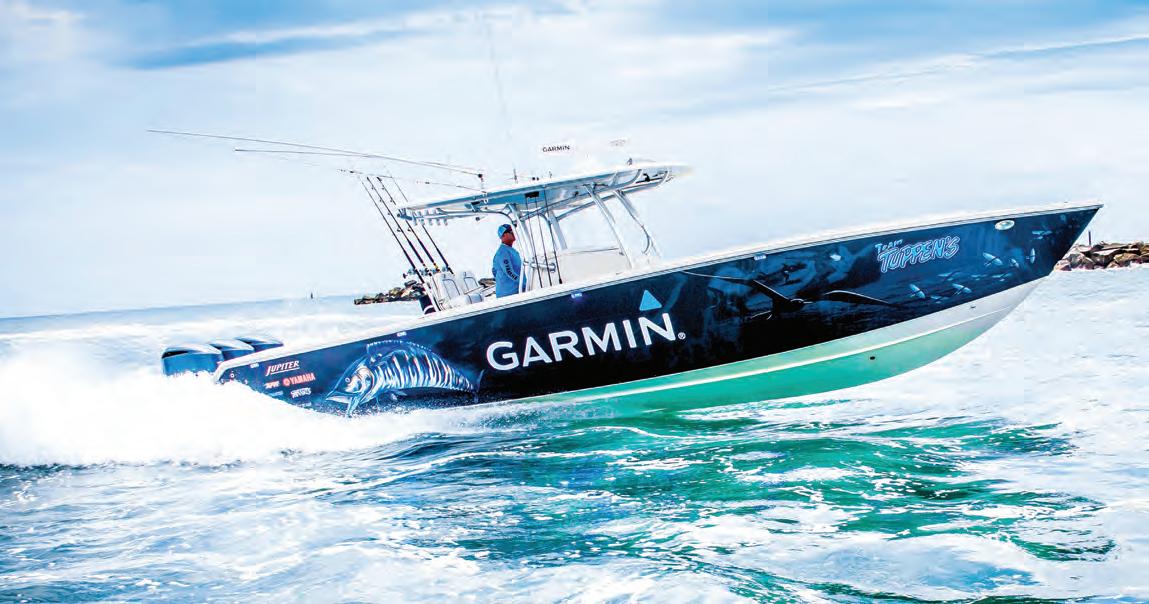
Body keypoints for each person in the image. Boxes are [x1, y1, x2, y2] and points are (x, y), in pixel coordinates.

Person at [492, 223, 522, 298]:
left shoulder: (511, 250)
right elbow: (509, 272)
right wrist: (524, 283)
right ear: (503, 235)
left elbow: (494, 271)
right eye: (510, 231)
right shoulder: (502, 252)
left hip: (516, 292)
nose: (513, 232)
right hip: (508, 295)